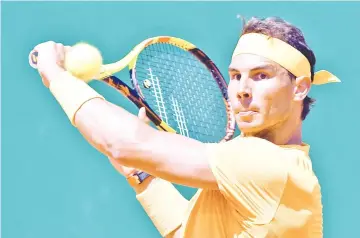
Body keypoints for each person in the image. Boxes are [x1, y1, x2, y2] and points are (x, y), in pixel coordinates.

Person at [31, 16, 340, 238]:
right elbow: (187, 231)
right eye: (235, 76)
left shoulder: (269, 164)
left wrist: (55, 75)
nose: (242, 89)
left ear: (299, 88)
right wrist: (140, 173)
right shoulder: (264, 172)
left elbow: (121, 142)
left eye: (261, 76)